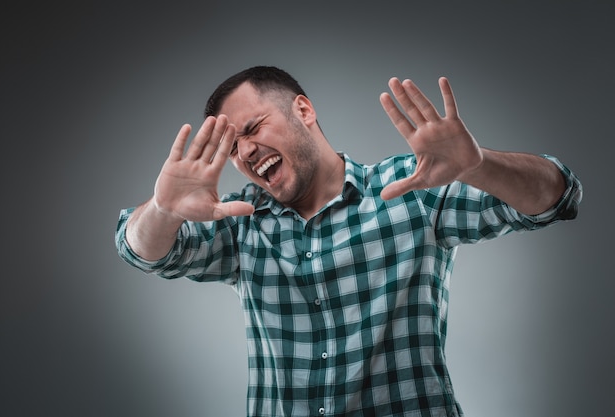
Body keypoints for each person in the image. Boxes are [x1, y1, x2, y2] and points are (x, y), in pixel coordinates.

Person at [115, 66, 582, 417]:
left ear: (303, 109)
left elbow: (556, 197)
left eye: (253, 129)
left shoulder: (410, 188)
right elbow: (142, 250)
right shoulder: (241, 222)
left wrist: (478, 165)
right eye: (234, 148)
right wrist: (164, 209)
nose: (246, 152)